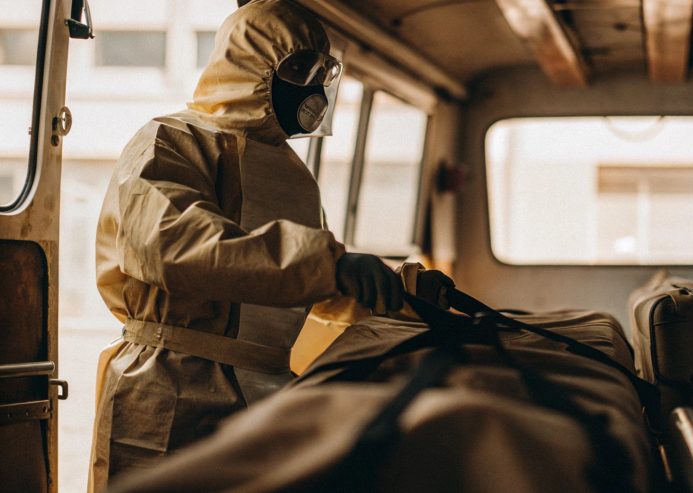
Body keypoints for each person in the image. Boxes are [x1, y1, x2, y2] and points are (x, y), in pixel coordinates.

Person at [88, 1, 450, 490]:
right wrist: (329, 265)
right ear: (251, 63)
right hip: (172, 385)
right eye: (298, 68)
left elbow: (305, 282)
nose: (314, 87)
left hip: (268, 385)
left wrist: (400, 290)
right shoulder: (170, 141)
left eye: (322, 71)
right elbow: (172, 245)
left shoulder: (293, 175)